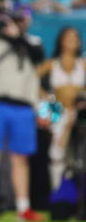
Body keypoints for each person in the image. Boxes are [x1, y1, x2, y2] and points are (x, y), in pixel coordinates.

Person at [0, 7, 45, 222]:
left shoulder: (33, 41)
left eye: (23, 18)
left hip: (22, 105)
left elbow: (36, 56)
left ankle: (23, 208)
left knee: (20, 158)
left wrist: (15, 36)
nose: (21, 22)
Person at [37, 27, 85, 190]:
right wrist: (45, 97)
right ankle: (57, 193)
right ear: (61, 41)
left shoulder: (83, 64)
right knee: (56, 152)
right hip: (58, 110)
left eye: (75, 37)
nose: (72, 41)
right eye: (68, 37)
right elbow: (32, 79)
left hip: (80, 111)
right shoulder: (52, 64)